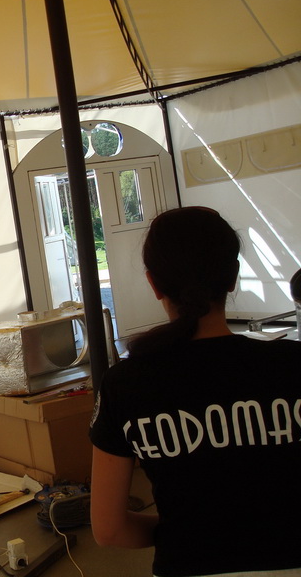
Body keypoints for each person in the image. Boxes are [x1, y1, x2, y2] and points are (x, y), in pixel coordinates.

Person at [89, 206, 301, 577]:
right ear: (233, 277)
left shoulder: (125, 383)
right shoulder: (293, 364)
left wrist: (186, 531)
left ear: (154, 284)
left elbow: (109, 530)